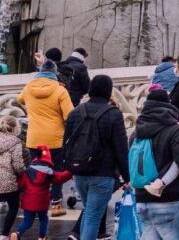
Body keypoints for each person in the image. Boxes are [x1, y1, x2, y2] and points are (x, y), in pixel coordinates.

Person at [63, 75, 130, 240]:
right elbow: (121, 149)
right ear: (108, 91)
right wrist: (128, 177)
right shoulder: (114, 114)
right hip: (103, 174)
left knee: (88, 212)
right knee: (93, 216)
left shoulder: (75, 112)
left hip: (79, 173)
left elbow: (66, 142)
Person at [131, 88, 179, 239]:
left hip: (141, 199)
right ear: (168, 105)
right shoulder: (173, 129)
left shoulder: (136, 133)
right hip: (167, 199)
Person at [17, 58, 73, 217]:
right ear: (55, 73)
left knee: (34, 170)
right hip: (55, 140)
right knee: (56, 171)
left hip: (34, 139)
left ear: (40, 72)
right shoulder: (60, 90)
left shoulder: (28, 88)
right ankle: (56, 204)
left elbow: (19, 99)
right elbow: (70, 114)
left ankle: (31, 203)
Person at [12, 144, 72, 240]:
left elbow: (21, 184)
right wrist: (71, 171)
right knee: (43, 219)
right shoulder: (49, 173)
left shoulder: (27, 171)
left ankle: (17, 233)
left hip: (28, 201)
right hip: (42, 202)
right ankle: (41, 237)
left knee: (27, 221)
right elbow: (60, 177)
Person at [0, 116, 25, 240]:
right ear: (14, 128)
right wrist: (21, 172)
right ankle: (4, 234)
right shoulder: (15, 142)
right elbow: (18, 165)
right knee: (14, 206)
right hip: (8, 181)